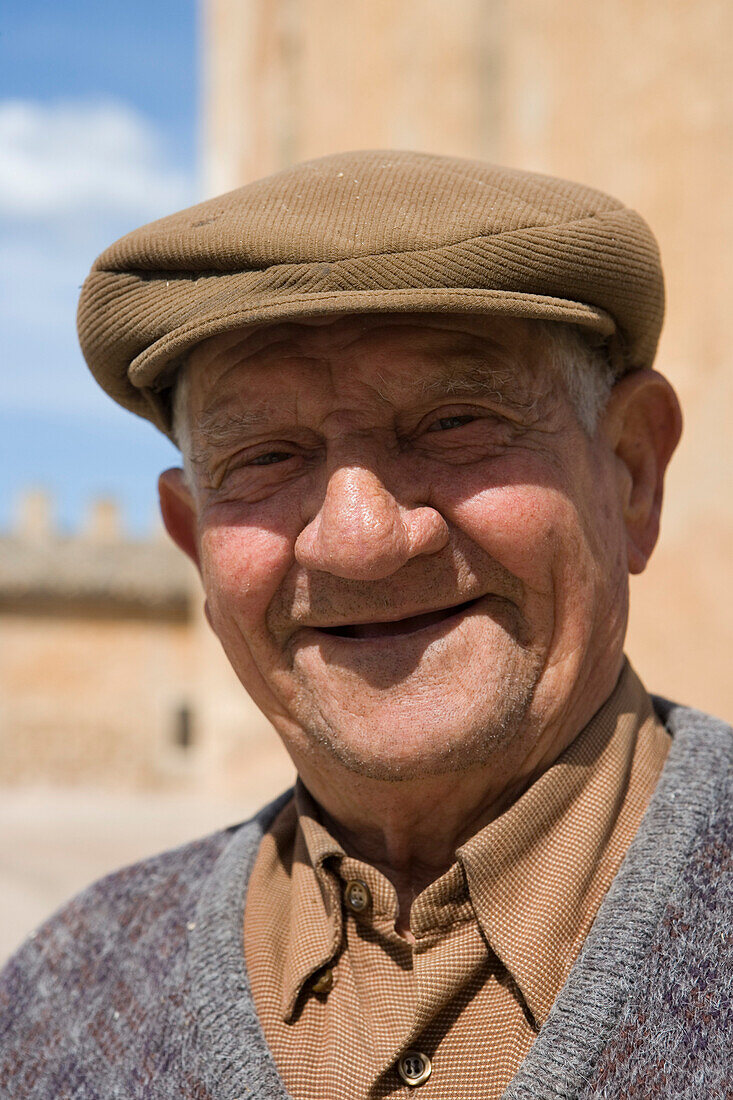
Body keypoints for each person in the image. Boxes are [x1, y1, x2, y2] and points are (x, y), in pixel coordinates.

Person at [1, 151, 730, 1099]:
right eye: (266, 456)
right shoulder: (64, 1009)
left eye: (454, 423)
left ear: (630, 472)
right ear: (195, 547)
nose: (359, 541)